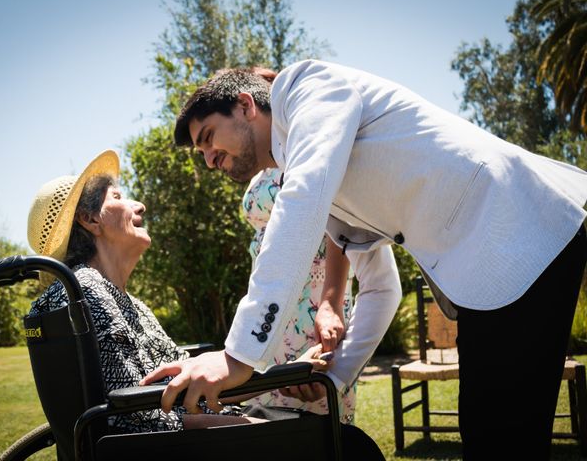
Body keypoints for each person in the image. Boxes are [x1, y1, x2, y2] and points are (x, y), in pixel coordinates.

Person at [142, 59, 587, 460]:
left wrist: (238, 356)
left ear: (244, 105)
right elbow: (368, 265)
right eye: (201, 155)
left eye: (208, 138)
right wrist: (333, 380)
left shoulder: (307, 86)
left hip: (516, 229)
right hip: (487, 271)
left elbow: (303, 199)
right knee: (489, 431)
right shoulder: (305, 164)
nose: (210, 159)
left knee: (503, 437)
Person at [26, 149, 328, 433]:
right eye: (117, 196)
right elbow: (139, 419)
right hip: (177, 446)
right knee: (334, 440)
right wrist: (258, 428)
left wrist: (286, 372)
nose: (139, 205)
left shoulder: (124, 302)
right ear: (90, 220)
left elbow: (189, 378)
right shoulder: (87, 292)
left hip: (187, 434)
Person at [241, 166, 357, 424]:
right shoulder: (260, 170)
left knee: (319, 419)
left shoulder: (309, 156)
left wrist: (331, 301)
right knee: (261, 421)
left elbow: (341, 225)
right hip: (268, 310)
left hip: (314, 303)